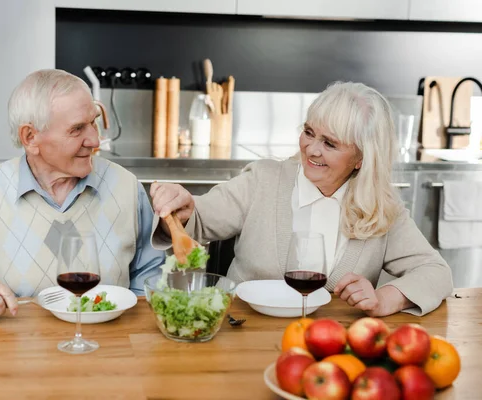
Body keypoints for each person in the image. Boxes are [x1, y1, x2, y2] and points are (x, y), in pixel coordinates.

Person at [151, 81, 453, 317]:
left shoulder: (381, 207)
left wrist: (384, 299)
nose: (311, 150)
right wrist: (184, 208)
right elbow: (200, 218)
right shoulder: (263, 180)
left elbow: (435, 272)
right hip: (246, 336)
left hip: (331, 348)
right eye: (309, 132)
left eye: (330, 143)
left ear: (361, 158)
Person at [0, 69, 164, 321]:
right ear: (30, 137)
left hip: (109, 355)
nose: (94, 140)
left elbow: (152, 273)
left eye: (93, 122)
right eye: (77, 129)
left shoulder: (127, 187)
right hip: (15, 358)